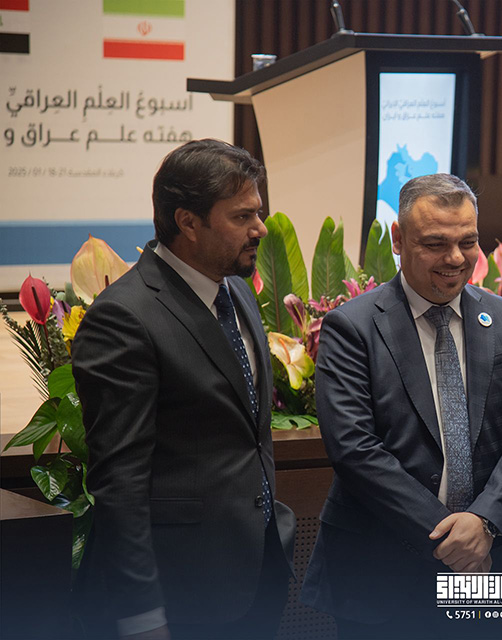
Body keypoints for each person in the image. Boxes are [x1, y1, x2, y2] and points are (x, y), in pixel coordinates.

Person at [72, 139, 296, 640]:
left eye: (259, 213)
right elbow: (120, 482)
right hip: (177, 596)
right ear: (188, 222)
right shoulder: (123, 317)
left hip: (257, 575)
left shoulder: (236, 291)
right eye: (242, 216)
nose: (260, 228)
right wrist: (141, 615)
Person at [299, 173, 502, 639]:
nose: (455, 258)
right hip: (383, 569)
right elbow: (354, 449)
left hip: (484, 557)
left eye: (467, 242)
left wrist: (484, 523)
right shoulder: (352, 326)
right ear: (398, 239)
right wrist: (452, 536)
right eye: (435, 244)